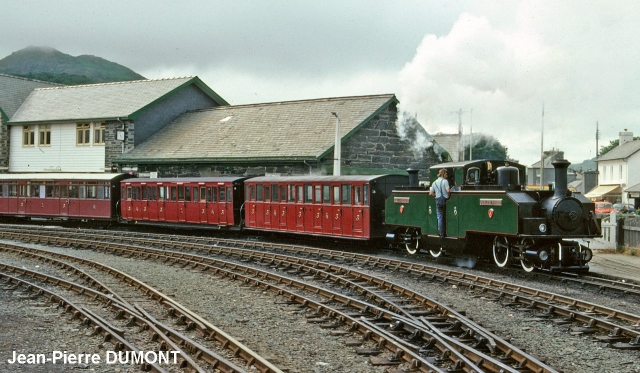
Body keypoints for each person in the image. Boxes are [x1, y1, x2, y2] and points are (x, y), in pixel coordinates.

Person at [429, 168, 451, 237]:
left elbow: (431, 193)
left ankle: (441, 233)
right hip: (445, 200)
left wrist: (436, 195)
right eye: (446, 174)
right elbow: (448, 191)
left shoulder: (434, 182)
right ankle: (446, 232)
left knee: (439, 216)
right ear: (443, 174)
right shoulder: (445, 181)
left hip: (438, 199)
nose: (447, 175)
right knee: (446, 216)